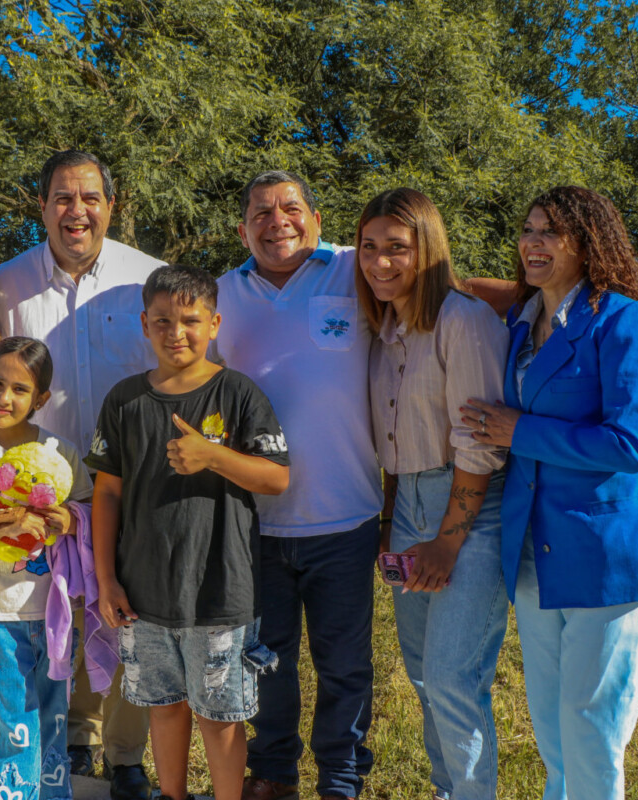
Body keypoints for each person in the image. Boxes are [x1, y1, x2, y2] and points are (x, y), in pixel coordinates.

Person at [464, 186, 638, 800]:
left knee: (592, 733)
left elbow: (627, 445)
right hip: (533, 552)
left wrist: (518, 430)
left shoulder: (630, 321)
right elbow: (469, 288)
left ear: (590, 242)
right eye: (527, 230)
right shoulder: (523, 324)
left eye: (551, 231)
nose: (533, 242)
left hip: (605, 554)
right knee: (552, 729)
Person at [0, 149, 163, 799]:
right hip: (41, 484)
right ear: (42, 206)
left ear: (111, 206)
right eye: (62, 197)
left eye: (90, 197)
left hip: (134, 480)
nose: (76, 210)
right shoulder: (6, 287)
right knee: (62, 606)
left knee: (131, 611)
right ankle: (76, 740)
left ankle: (125, 754)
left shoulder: (148, 279)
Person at [87, 265, 291, 800]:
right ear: (145, 325)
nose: (176, 332)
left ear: (215, 323)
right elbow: (106, 493)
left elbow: (277, 477)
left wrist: (213, 456)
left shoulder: (240, 393)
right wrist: (106, 579)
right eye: (162, 321)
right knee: (165, 706)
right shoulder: (124, 400)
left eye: (190, 320)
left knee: (221, 717)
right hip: (143, 592)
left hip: (220, 590)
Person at [213, 171, 383, 800]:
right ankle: (275, 774)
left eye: (290, 208)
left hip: (346, 516)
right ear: (242, 228)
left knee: (344, 665)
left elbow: (439, 288)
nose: (276, 220)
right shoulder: (220, 295)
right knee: (265, 659)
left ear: (316, 217)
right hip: (254, 521)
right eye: (260, 211)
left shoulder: (352, 270)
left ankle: (341, 779)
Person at [356, 188, 509, 800]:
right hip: (409, 501)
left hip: (467, 503)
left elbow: (481, 446)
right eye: (369, 247)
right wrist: (394, 519)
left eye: (398, 248)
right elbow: (394, 436)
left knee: (452, 676)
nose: (380, 261)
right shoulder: (388, 327)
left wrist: (447, 541)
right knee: (422, 675)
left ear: (428, 249)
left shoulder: (462, 320)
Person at [0, 337, 94, 800]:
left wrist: (67, 518)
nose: (4, 398)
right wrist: (4, 526)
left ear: (41, 399)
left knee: (52, 723)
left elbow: (90, 517)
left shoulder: (61, 452)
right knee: (12, 725)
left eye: (20, 390)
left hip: (54, 615)